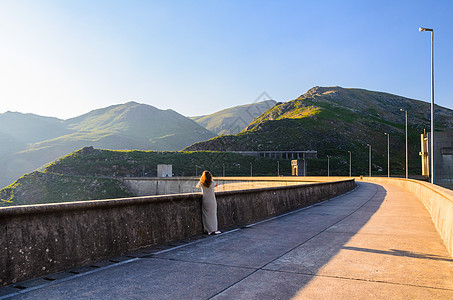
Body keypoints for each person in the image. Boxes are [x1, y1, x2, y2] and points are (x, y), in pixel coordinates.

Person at [196, 170, 221, 235]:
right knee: (213, 215)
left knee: (205, 216)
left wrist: (201, 180)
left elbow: (197, 186)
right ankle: (214, 230)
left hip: (205, 201)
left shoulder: (201, 183)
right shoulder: (212, 183)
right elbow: (216, 185)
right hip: (212, 201)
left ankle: (208, 230)